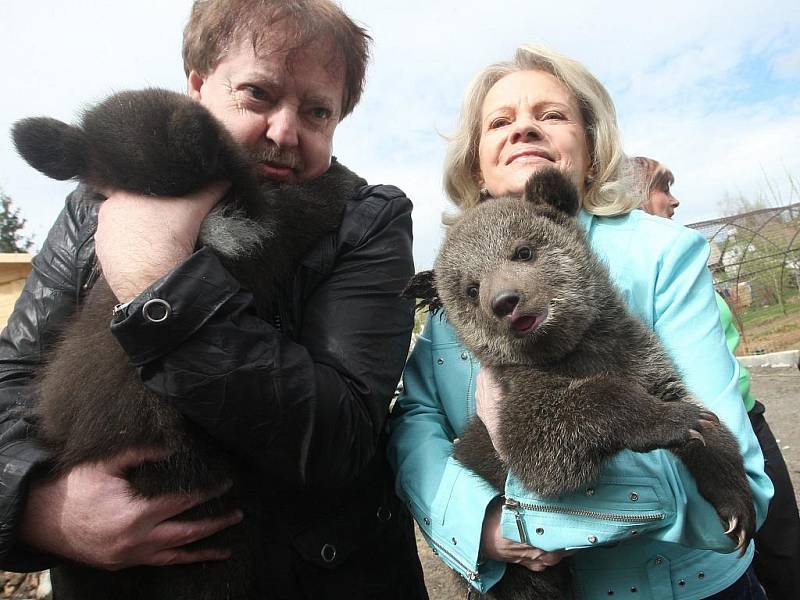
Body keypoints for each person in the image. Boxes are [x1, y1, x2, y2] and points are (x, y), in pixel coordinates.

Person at [0, 1, 428, 598]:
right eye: (258, 94)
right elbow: (11, 377)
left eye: (317, 111)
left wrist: (157, 280)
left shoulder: (363, 221)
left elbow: (344, 437)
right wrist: (42, 506)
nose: (284, 131)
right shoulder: (89, 209)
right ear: (199, 87)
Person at [388, 44, 774, 599]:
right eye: (500, 122)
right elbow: (417, 424)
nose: (523, 130)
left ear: (591, 148)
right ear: (476, 161)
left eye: (550, 114)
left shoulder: (660, 253)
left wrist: (706, 459)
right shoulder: (456, 291)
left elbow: (691, 419)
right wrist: (484, 526)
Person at [633, 155, 800, 599]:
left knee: (782, 542)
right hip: (700, 426)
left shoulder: (678, 250)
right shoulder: (641, 263)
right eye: (662, 187)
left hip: (747, 414)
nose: (674, 199)